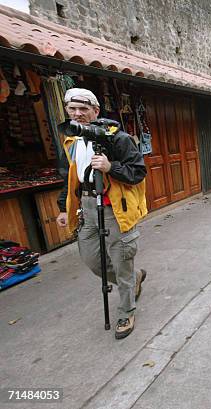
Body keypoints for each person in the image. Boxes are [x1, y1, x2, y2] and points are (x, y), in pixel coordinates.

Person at [56, 88, 147, 340]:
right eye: (72, 109)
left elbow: (138, 172)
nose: (77, 114)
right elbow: (69, 177)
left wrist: (110, 167)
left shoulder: (118, 139)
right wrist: (63, 207)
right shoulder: (70, 139)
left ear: (96, 110)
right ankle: (134, 278)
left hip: (115, 208)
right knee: (93, 260)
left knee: (121, 262)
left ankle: (127, 310)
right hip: (86, 206)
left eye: (83, 109)